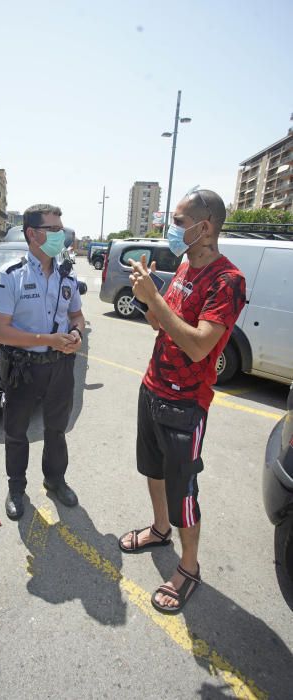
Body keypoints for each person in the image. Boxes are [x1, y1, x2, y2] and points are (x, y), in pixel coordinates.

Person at [119, 189, 246, 614]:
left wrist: (154, 299)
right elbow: (162, 323)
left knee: (183, 492)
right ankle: (159, 529)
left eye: (178, 221)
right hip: (152, 387)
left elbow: (198, 347)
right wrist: (146, 297)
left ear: (204, 227)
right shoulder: (187, 265)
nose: (172, 230)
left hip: (186, 404)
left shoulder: (228, 281)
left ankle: (188, 568)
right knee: (152, 470)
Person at [0, 203, 85, 520]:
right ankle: (16, 488)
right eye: (53, 229)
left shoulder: (67, 276)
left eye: (61, 228)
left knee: (57, 429)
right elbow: (0, 332)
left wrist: (77, 335)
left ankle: (55, 480)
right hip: (23, 369)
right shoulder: (10, 276)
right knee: (16, 432)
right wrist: (47, 340)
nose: (61, 235)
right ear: (33, 233)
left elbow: (77, 316)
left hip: (60, 367)